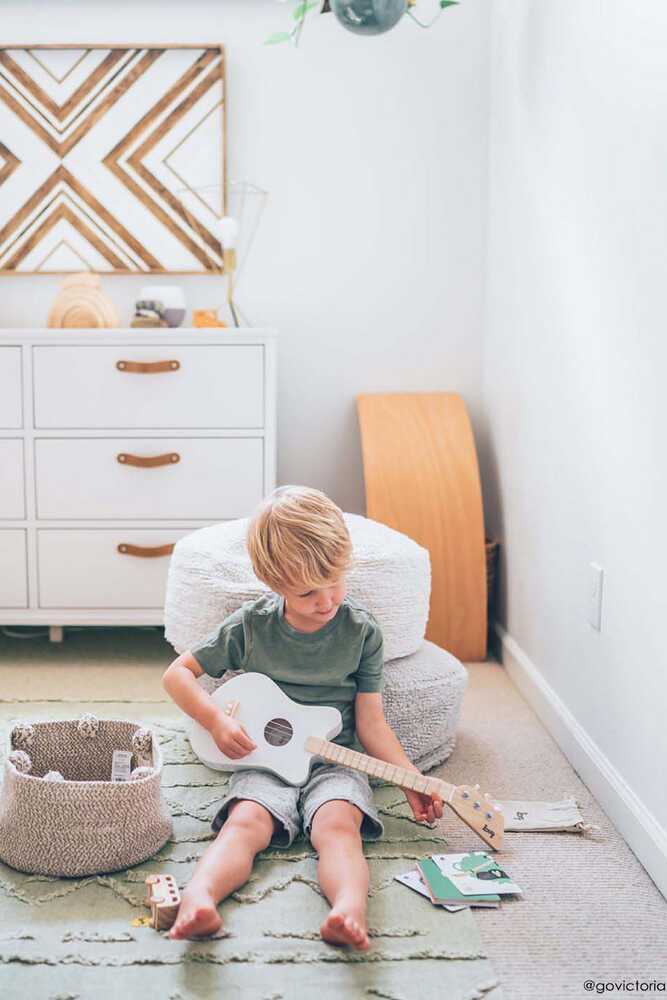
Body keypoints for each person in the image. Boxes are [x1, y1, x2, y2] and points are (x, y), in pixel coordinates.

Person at [162, 485, 443, 948]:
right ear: (274, 583)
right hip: (262, 760)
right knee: (244, 823)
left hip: (336, 762)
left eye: (335, 580)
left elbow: (372, 723)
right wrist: (216, 721)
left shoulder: (362, 632)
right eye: (308, 591)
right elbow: (177, 676)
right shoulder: (250, 626)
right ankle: (199, 900)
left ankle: (348, 911)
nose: (327, 599)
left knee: (338, 827)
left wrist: (409, 778)